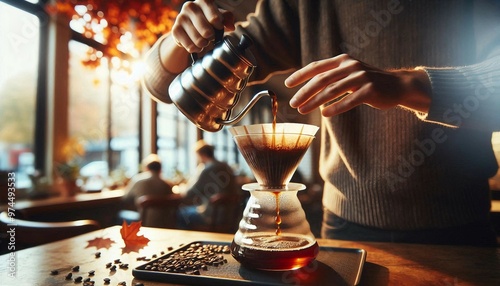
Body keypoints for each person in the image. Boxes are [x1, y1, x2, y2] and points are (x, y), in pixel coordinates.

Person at [143, 0, 500, 246]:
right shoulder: (302, 6)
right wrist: (180, 41)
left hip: (460, 227)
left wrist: (408, 85)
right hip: (344, 225)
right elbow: (163, 85)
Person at [176, 140, 239, 229]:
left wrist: (181, 189)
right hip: (230, 215)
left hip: (211, 216)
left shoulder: (207, 169)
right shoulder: (225, 166)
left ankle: (188, 241)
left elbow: (189, 193)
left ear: (202, 155)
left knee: (180, 213)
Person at [121, 154, 174, 225]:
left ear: (146, 168)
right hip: (165, 223)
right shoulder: (167, 184)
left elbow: (126, 198)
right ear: (160, 169)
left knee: (120, 214)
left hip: (143, 221)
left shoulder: (138, 179)